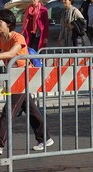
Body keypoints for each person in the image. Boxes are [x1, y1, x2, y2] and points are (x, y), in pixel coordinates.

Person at [0, 9, 53, 154]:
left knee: (8, 111)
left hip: (23, 76)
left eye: (0, 22)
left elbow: (11, 53)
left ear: (9, 23)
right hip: (13, 76)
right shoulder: (0, 37)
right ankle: (45, 138)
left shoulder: (19, 38)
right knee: (30, 108)